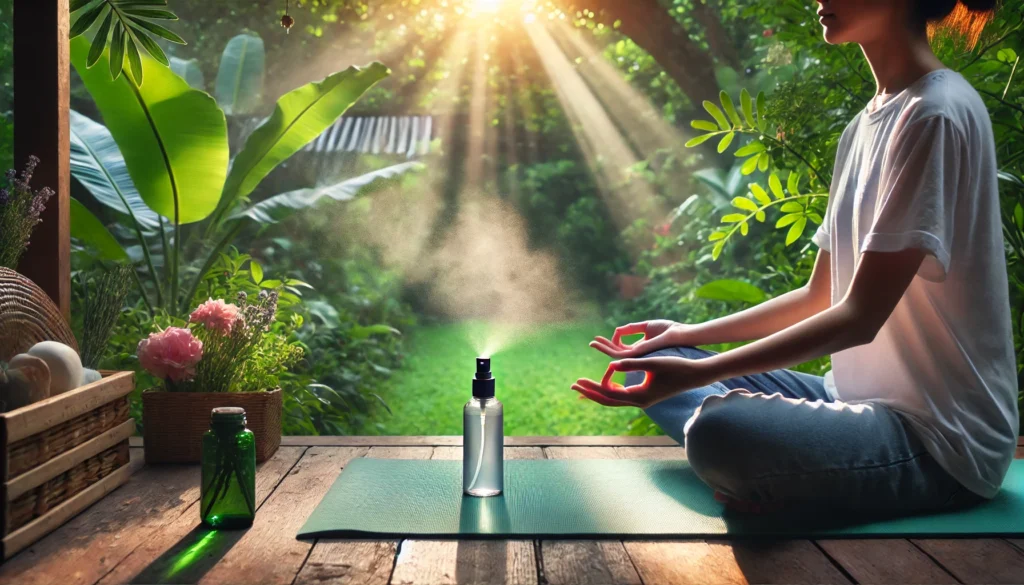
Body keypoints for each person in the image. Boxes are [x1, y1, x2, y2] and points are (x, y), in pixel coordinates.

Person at [573, 0, 1018, 515]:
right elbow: (821, 295)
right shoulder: (865, 125)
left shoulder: (934, 114)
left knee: (721, 431)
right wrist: (685, 337)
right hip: (851, 401)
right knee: (648, 365)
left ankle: (769, 467)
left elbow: (859, 318)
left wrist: (697, 375)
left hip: (940, 442)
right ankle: (782, 471)